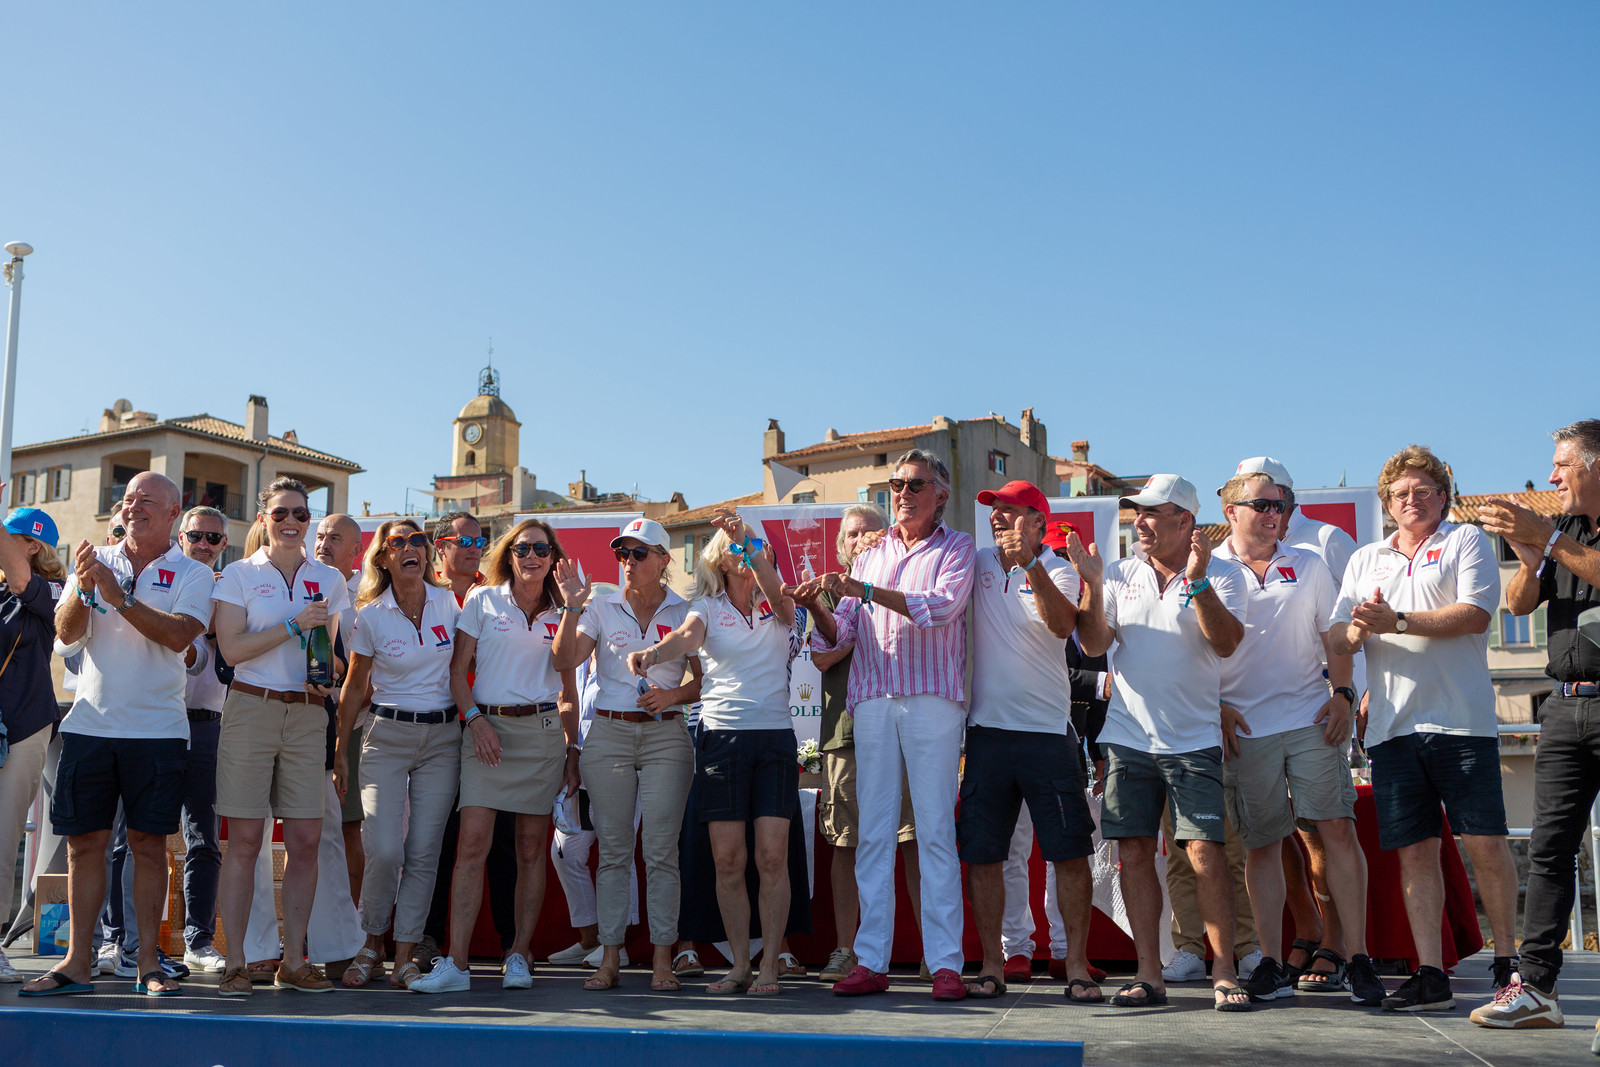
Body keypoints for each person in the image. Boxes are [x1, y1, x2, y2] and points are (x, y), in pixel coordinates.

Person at [1330, 445, 1516, 1013]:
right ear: (1387, 503)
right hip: (1390, 729)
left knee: (1485, 843)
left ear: (1443, 497)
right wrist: (1359, 633)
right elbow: (1339, 637)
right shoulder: (1366, 558)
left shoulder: (1464, 540)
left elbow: (1476, 615)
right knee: (1414, 853)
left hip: (1461, 722)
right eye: (1400, 493)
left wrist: (1397, 621)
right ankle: (1430, 973)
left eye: (1423, 490)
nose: (1411, 500)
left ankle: (1509, 963)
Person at [21, 473, 211, 998]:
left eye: (146, 499)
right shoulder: (96, 561)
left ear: (173, 513)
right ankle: (76, 963)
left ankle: (148, 963)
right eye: (127, 499)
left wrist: (118, 596)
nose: (133, 506)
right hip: (90, 726)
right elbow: (64, 634)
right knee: (84, 846)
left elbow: (179, 635)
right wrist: (85, 589)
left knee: (149, 846)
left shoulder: (194, 572)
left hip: (159, 732)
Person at [1074, 473, 1253, 1012]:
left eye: (1153, 512)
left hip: (1194, 741)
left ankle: (1224, 971)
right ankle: (1149, 975)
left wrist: (1197, 582)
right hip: (1126, 740)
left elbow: (1227, 643)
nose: (1141, 522)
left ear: (1186, 521)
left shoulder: (1224, 573)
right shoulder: (1119, 572)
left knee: (1204, 853)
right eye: (1137, 512)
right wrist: (1092, 585)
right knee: (1133, 852)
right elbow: (1094, 644)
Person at [804, 448, 976, 1002]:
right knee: (874, 835)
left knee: (934, 832)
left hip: (932, 700)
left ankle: (944, 963)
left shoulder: (958, 547)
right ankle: (871, 960)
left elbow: (941, 609)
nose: (903, 493)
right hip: (873, 701)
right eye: (896, 485)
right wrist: (817, 606)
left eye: (914, 484)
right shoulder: (870, 555)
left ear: (940, 494)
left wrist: (864, 591)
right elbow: (841, 636)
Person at [1212, 473, 1385, 1006]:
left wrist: (1343, 693)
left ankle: (1358, 958)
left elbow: (1334, 637)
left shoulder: (1308, 563)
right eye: (1262, 505)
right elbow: (1196, 648)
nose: (1275, 513)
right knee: (1263, 844)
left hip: (1311, 717)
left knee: (1337, 830)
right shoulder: (1209, 569)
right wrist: (1214, 704)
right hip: (1247, 728)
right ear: (1231, 511)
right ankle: (1271, 961)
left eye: (1280, 504)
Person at [638, 511, 807, 996]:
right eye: (735, 546)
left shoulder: (781, 603)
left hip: (774, 739)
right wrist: (653, 654)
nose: (746, 551)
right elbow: (687, 637)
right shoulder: (707, 608)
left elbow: (781, 603)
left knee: (772, 858)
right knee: (728, 860)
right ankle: (739, 966)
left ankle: (769, 964)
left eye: (755, 546)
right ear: (718, 560)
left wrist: (746, 541)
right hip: (721, 738)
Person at [410, 520, 583, 993]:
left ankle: (519, 955)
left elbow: (566, 675)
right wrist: (475, 721)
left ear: (553, 557)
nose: (532, 557)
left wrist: (572, 749)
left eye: (541, 549)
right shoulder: (483, 600)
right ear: (509, 554)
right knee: (471, 845)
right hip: (485, 731)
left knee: (530, 849)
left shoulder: (565, 607)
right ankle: (456, 964)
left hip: (542, 735)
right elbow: (457, 673)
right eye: (522, 549)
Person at [1472, 419, 1600, 1034]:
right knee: (1549, 850)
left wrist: (1546, 538)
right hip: (1564, 707)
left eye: (1562, 465)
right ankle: (1537, 991)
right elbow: (1519, 604)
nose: (1551, 477)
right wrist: (1529, 559)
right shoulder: (1565, 531)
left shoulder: (1562, 534)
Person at [957, 481, 1099, 1002]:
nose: (997, 517)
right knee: (985, 855)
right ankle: (993, 963)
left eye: (1011, 511)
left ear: (1038, 523)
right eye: (994, 510)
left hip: (1047, 734)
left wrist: (1029, 565)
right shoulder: (976, 562)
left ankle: (1075, 964)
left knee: (1069, 853)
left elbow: (1063, 628)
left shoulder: (1058, 568)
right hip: (987, 734)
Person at [210, 478, 348, 996]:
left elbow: (326, 653)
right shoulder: (238, 574)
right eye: (281, 513)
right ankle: (236, 962)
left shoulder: (329, 579)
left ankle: (293, 962)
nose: (292, 522)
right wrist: (293, 625)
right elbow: (231, 651)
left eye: (301, 514)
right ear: (264, 518)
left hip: (309, 714)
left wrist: (330, 675)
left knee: (306, 841)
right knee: (246, 841)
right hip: (252, 708)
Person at [553, 517, 701, 992]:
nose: (628, 562)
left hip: (666, 735)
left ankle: (662, 960)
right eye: (622, 553)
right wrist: (571, 607)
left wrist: (672, 696)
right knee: (614, 853)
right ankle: (610, 959)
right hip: (609, 734)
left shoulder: (686, 610)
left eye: (639, 553)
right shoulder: (599, 606)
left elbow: (704, 680)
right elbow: (564, 661)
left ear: (663, 560)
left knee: (660, 853)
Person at [333, 519, 461, 990]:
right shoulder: (369, 616)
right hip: (385, 735)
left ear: (427, 552)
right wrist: (340, 751)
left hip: (443, 740)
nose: (411, 547)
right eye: (398, 542)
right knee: (385, 850)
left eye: (417, 540)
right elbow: (353, 688)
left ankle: (405, 953)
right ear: (383, 558)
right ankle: (373, 943)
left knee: (424, 852)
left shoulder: (451, 603)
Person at [799, 503, 923, 985]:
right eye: (852, 535)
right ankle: (846, 950)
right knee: (846, 843)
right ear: (841, 546)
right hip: (845, 735)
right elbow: (823, 658)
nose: (861, 540)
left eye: (871, 532)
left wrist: (872, 598)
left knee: (913, 840)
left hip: (903, 729)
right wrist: (857, 614)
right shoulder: (828, 593)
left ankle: (932, 951)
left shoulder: (901, 584)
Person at [419, 511, 520, 971]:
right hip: (438, 726)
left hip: (488, 724)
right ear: (440, 545)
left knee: (501, 839)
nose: (475, 549)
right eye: (464, 541)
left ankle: (512, 945)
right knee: (437, 836)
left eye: (481, 542)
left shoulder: (496, 593)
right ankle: (427, 939)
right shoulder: (422, 592)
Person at [0, 505, 64, 982]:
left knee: (2, 840)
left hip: (22, 728)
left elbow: (22, 581)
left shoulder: (54, 591)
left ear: (32, 546)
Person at [173, 506, 229, 974]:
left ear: (224, 544)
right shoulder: (163, 580)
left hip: (210, 725)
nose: (204, 544)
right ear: (181, 537)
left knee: (204, 839)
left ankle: (199, 940)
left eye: (213, 538)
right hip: (155, 720)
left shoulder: (230, 589)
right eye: (196, 536)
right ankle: (119, 939)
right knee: (131, 839)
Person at [314, 513, 368, 908]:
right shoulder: (302, 583)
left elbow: (371, 675)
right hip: (305, 720)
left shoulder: (368, 597)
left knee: (349, 829)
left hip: (352, 727)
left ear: (357, 549)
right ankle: (305, 930)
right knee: (304, 829)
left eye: (334, 538)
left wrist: (344, 715)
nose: (323, 544)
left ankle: (353, 926)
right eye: (320, 536)